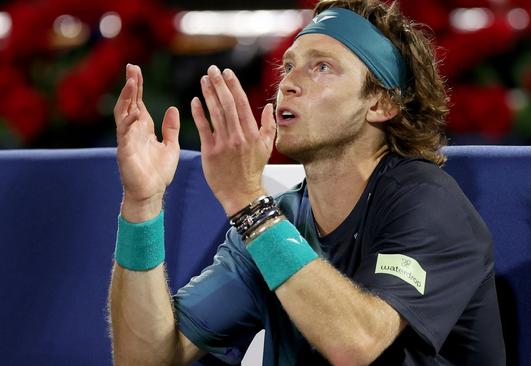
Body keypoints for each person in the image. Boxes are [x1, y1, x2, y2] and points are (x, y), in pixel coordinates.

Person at [108, 0, 506, 364]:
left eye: (321, 67)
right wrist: (142, 205)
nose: (288, 84)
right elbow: (145, 359)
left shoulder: (427, 202)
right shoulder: (275, 222)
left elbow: (356, 344)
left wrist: (247, 201)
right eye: (288, 67)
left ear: (383, 102)